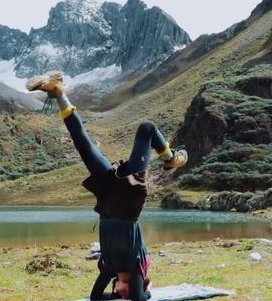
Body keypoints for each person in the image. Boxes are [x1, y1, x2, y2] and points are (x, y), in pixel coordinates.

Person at [27, 71, 188, 301]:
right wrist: (145, 292)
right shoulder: (136, 268)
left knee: (83, 145)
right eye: (124, 294)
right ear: (136, 286)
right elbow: (141, 299)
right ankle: (171, 159)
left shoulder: (108, 268)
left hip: (107, 196)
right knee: (147, 129)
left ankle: (58, 92)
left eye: (116, 294)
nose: (120, 294)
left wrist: (112, 297)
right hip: (130, 195)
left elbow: (94, 298)